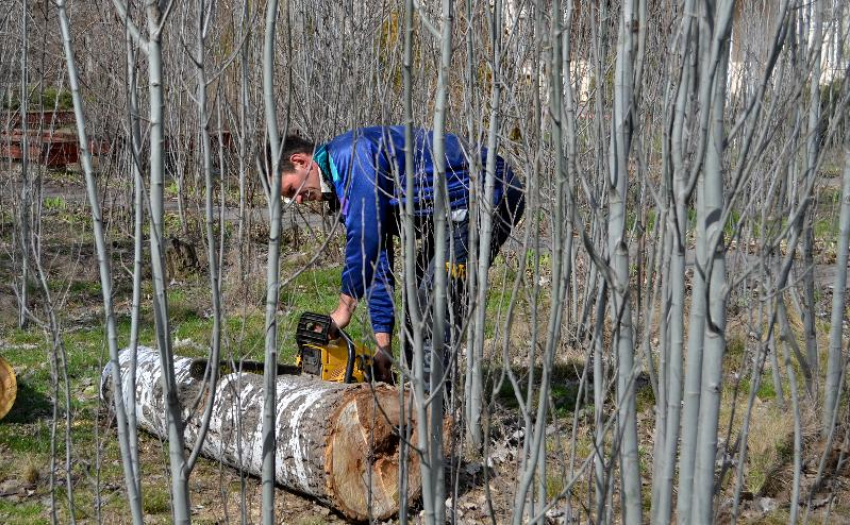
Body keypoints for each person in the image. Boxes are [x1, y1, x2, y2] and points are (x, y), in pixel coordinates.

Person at [277, 126, 524, 388]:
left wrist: (343, 309)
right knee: (417, 302)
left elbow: (366, 238)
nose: (299, 202)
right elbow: (374, 261)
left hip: (487, 194)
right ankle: (419, 397)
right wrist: (383, 345)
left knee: (433, 303)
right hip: (451, 216)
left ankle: (435, 412)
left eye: (292, 190)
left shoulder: (352, 156)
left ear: (301, 161)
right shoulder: (342, 185)